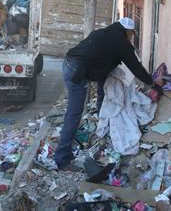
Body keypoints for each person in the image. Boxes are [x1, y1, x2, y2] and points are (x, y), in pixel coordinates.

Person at [54, 17, 162, 170]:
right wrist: (152, 84)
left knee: (102, 85)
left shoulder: (102, 34)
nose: (132, 36)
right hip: (77, 71)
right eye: (131, 34)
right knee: (74, 113)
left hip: (69, 64)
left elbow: (100, 60)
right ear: (128, 32)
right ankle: (62, 158)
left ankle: (102, 119)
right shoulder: (121, 43)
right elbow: (135, 67)